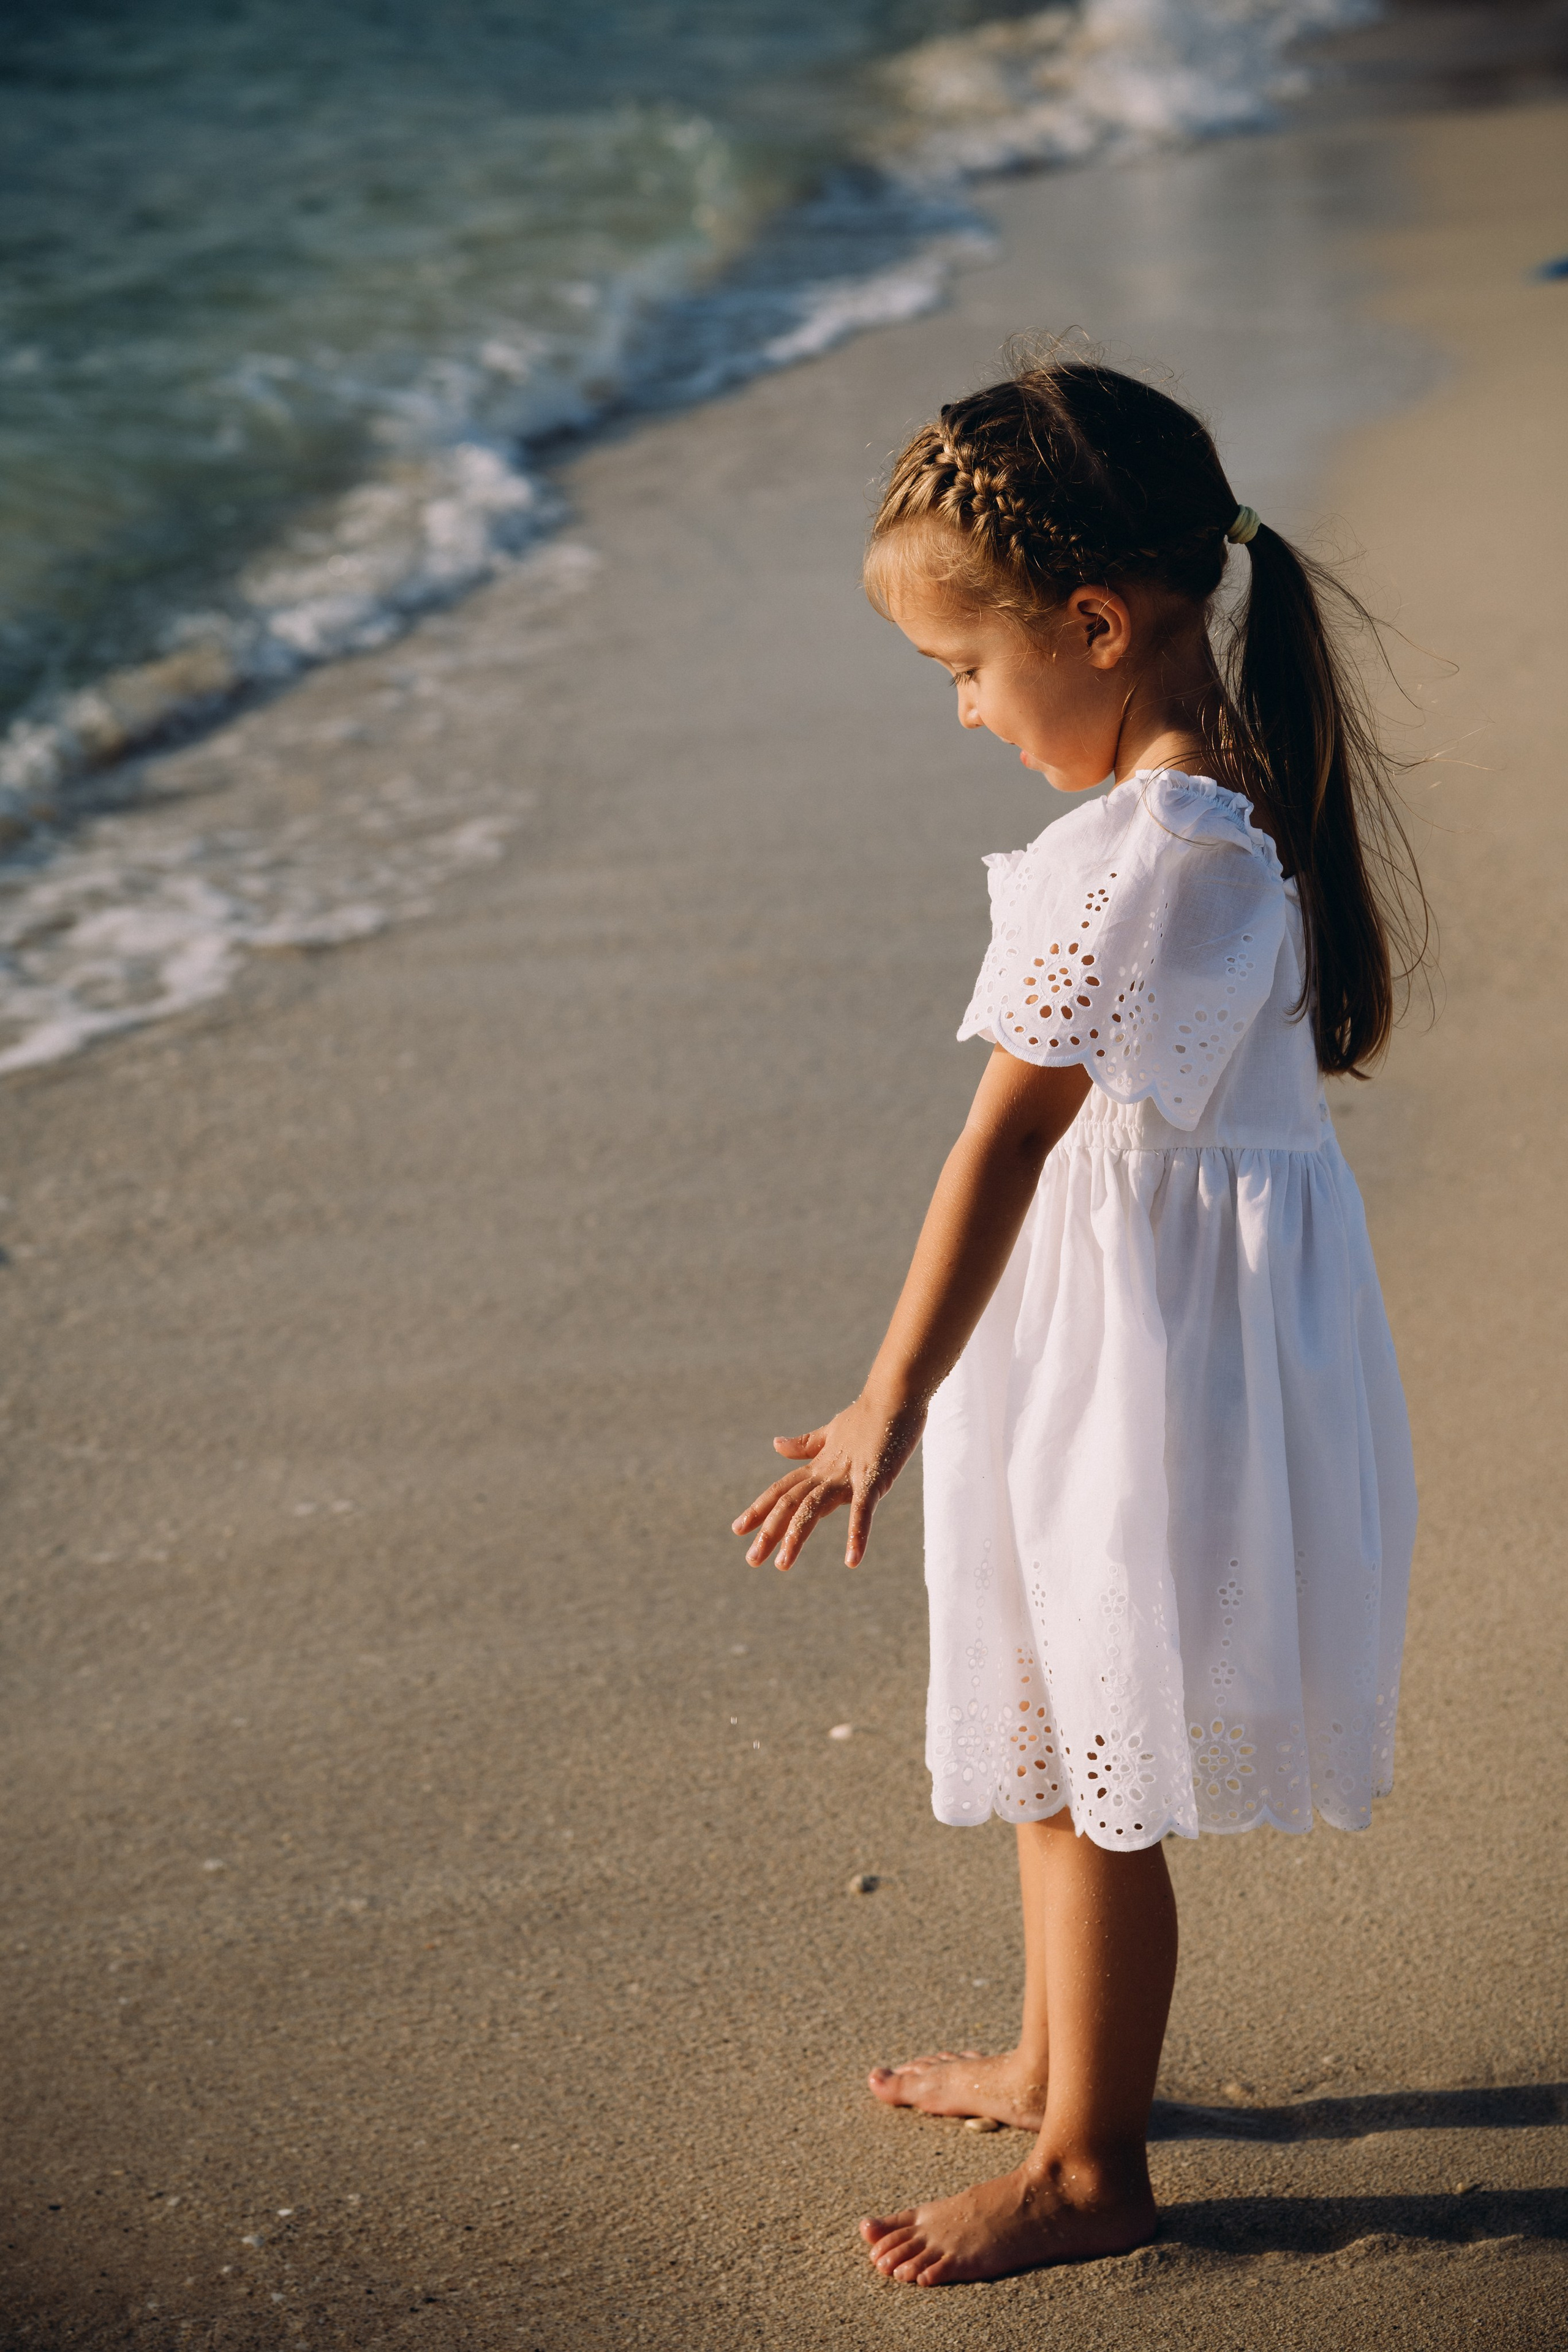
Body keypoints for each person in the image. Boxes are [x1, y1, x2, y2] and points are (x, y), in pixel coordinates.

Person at [731, 354, 1425, 2286]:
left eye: (968, 667)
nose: (964, 709)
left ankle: (1091, 2162)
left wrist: (889, 1397)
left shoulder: (1133, 862)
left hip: (1131, 1362)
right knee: (1057, 1730)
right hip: (1149, 1332)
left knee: (1082, 1759)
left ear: (1099, 627)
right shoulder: (1224, 806)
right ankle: (1059, 2058)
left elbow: (999, 1151)